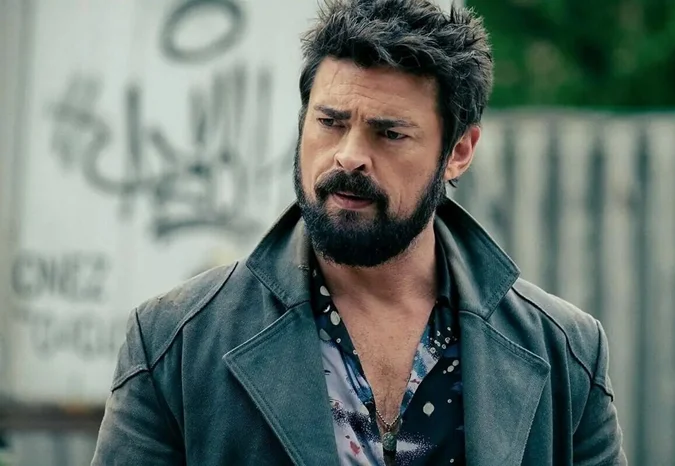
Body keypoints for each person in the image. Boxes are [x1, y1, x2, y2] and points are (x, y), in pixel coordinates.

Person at [91, 0, 627, 464]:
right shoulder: (174, 345)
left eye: (388, 133)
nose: (349, 156)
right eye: (330, 122)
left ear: (459, 151)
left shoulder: (566, 353)